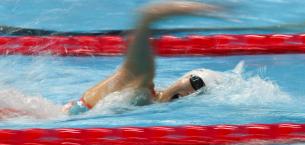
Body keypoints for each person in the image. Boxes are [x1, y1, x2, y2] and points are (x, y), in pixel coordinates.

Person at [63, 1, 222, 115]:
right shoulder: (142, 84)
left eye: (199, 89)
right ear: (187, 76)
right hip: (56, 118)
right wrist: (202, 8)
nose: (190, 90)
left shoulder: (148, 101)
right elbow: (148, 15)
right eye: (196, 82)